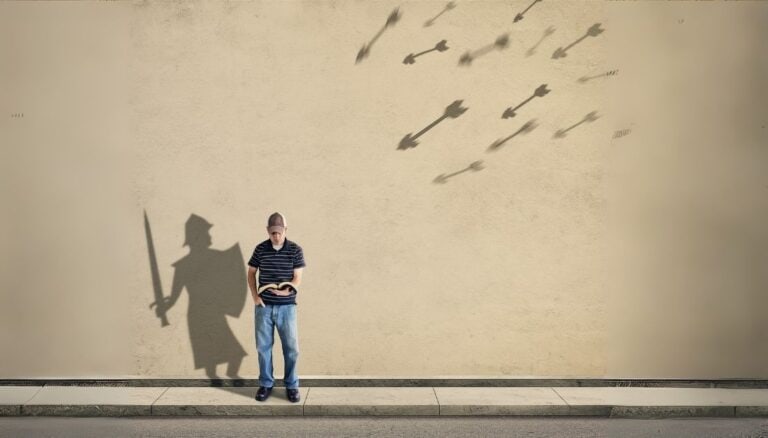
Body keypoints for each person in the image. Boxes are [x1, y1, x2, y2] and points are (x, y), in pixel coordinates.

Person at [247, 212, 306, 402]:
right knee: (263, 347)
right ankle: (266, 384)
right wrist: (255, 297)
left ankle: (292, 385)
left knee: (291, 348)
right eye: (273, 233)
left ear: (285, 230)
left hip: (287, 307)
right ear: (268, 231)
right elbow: (251, 273)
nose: (276, 236)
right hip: (263, 306)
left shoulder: (295, 250)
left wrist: (288, 290)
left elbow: (297, 277)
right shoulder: (260, 249)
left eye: (279, 233)